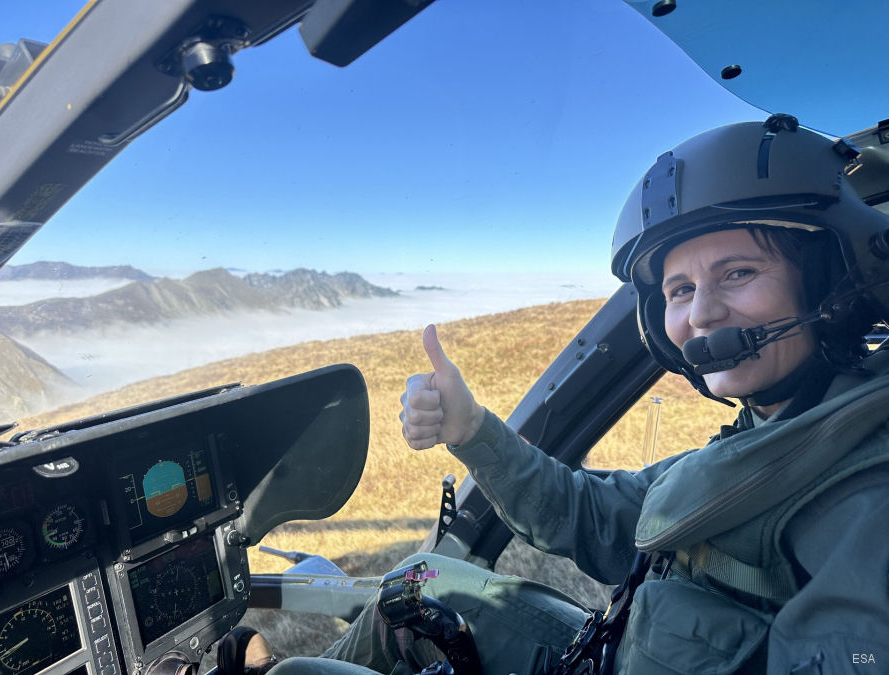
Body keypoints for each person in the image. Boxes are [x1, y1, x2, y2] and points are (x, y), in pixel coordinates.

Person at [261, 115, 889, 674]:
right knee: (418, 583)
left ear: (830, 280)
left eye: (738, 273)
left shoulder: (862, 499)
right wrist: (473, 429)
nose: (701, 314)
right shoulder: (778, 434)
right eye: (678, 289)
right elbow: (594, 516)